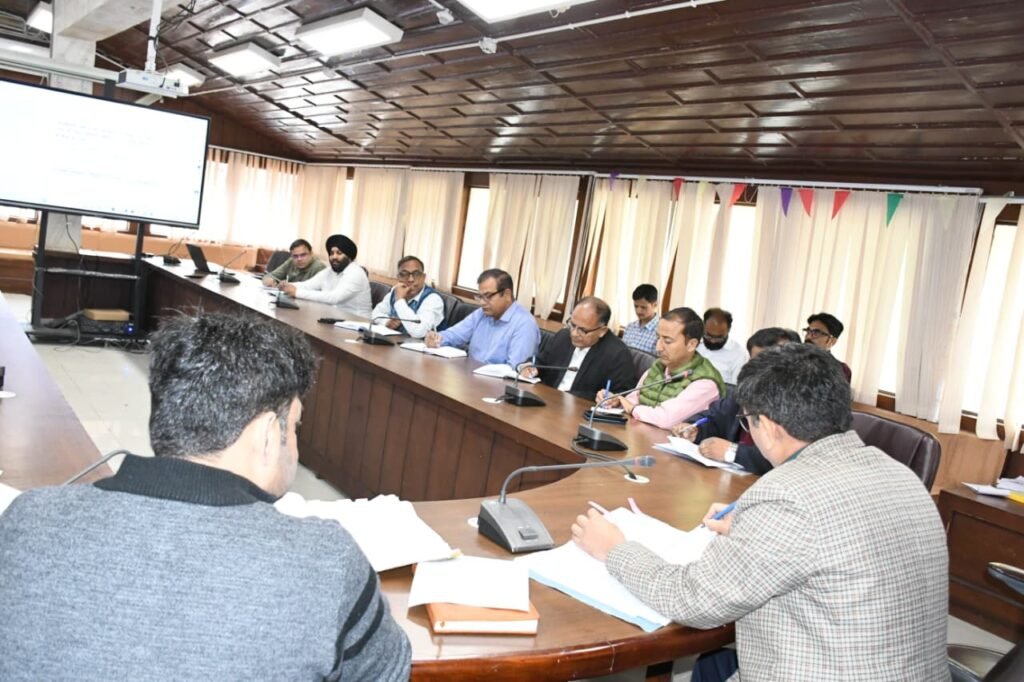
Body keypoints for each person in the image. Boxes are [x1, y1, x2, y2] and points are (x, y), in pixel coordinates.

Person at [0, 314, 411, 680]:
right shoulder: (327, 559)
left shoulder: (29, 518)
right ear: (269, 434)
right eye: (296, 427)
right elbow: (389, 671)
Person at [572, 343, 948, 682]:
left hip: (820, 669)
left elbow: (692, 600)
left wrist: (615, 549)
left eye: (747, 420)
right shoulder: (899, 473)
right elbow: (837, 535)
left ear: (765, 426)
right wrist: (752, 525)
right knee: (712, 666)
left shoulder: (786, 494)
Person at [673, 327, 800, 474]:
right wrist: (695, 429)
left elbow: (789, 458)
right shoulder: (748, 390)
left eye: (766, 362)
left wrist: (733, 452)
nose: (757, 369)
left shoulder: (799, 403)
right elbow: (714, 416)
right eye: (754, 361)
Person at [596, 307, 724, 430]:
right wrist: (616, 401)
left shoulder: (705, 383)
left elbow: (666, 419)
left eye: (667, 341)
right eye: (658, 338)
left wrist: (632, 408)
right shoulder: (658, 367)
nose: (658, 347)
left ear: (691, 344)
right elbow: (632, 401)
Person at [522, 296, 636, 399]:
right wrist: (529, 367)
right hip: (548, 400)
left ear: (602, 331)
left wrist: (607, 397)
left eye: (582, 330)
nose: (574, 333)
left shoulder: (618, 354)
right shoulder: (563, 337)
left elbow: (620, 395)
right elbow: (540, 362)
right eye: (572, 325)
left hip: (580, 409)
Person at [425, 268, 539, 367]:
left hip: (496, 383)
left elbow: (516, 368)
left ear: (507, 294)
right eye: (480, 297)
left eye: (488, 296)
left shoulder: (524, 324)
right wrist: (436, 338)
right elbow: (455, 334)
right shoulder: (481, 314)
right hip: (469, 375)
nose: (482, 302)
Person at [280, 234, 372, 319]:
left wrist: (297, 292)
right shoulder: (330, 271)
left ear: (348, 256)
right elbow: (308, 285)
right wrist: (287, 285)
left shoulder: (355, 273)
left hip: (357, 323)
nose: (334, 257)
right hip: (334, 318)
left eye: (339, 253)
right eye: (331, 253)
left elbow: (334, 298)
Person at [370, 255, 445, 338]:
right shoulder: (396, 290)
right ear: (398, 277)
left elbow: (418, 332)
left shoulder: (433, 299)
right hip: (394, 342)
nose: (410, 279)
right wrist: (387, 322)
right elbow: (375, 314)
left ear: (423, 277)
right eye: (404, 274)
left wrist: (399, 301)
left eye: (416, 274)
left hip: (420, 345)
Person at [697, 307, 748, 385]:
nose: (713, 341)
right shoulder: (695, 345)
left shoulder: (739, 354)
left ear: (728, 330)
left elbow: (735, 388)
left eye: (719, 338)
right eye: (708, 336)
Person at [804, 311, 852, 382]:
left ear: (832, 341)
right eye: (808, 331)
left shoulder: (841, 370)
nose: (808, 337)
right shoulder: (792, 360)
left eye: (816, 333)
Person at [261, 238, 325, 286]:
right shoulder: (291, 261)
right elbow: (270, 276)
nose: (299, 259)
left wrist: (288, 286)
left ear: (311, 253)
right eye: (295, 256)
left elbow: (315, 290)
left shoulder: (319, 267)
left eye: (303, 255)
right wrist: (269, 280)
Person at [622, 283, 659, 354]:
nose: (638, 311)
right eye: (636, 306)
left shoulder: (660, 331)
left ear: (654, 305)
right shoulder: (630, 327)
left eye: (643, 307)